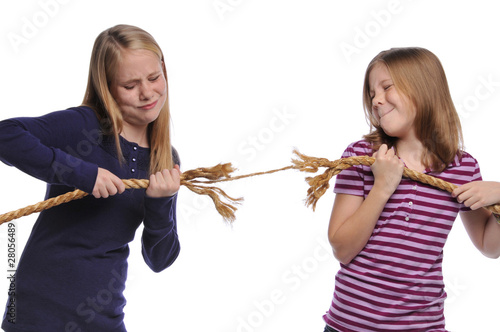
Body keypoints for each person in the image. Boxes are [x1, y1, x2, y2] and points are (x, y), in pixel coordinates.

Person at [0, 24, 181, 331]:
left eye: (154, 77)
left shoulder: (165, 158)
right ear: (106, 86)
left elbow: (159, 259)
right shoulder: (86, 126)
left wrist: (160, 205)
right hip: (38, 314)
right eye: (130, 85)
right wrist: (82, 173)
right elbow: (6, 135)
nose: (147, 92)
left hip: (103, 318)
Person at [322, 47, 500, 332]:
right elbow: (341, 248)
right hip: (349, 326)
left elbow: (489, 246)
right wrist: (382, 186)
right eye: (371, 94)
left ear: (424, 88)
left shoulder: (462, 168)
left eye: (386, 87)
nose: (377, 100)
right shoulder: (361, 156)